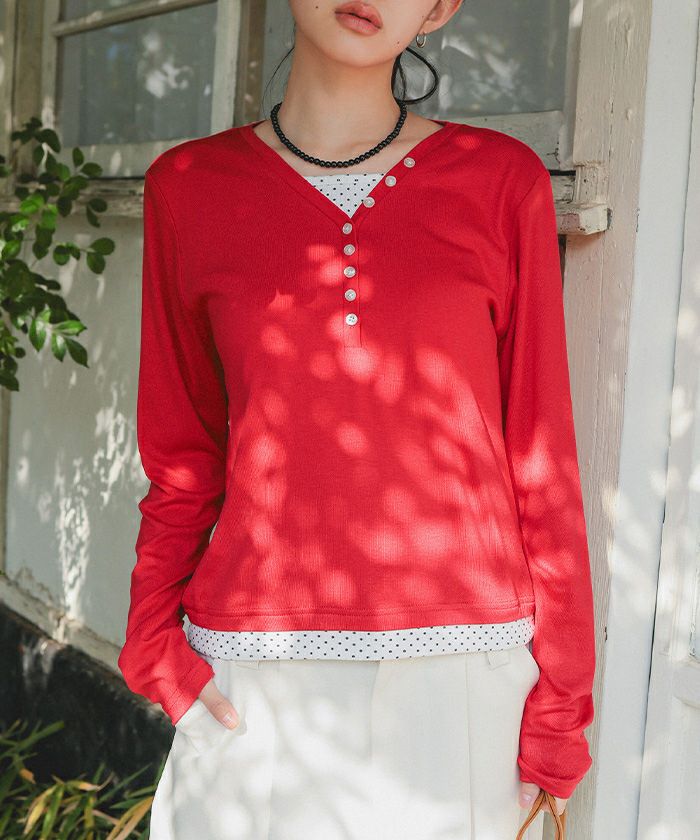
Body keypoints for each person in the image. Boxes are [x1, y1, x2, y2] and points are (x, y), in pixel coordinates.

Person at [118, 1, 596, 837]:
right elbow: (182, 450)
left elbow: (541, 454)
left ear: (440, 8)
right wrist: (151, 643)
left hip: (464, 673)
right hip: (255, 674)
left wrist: (561, 704)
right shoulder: (189, 187)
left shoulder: (500, 181)